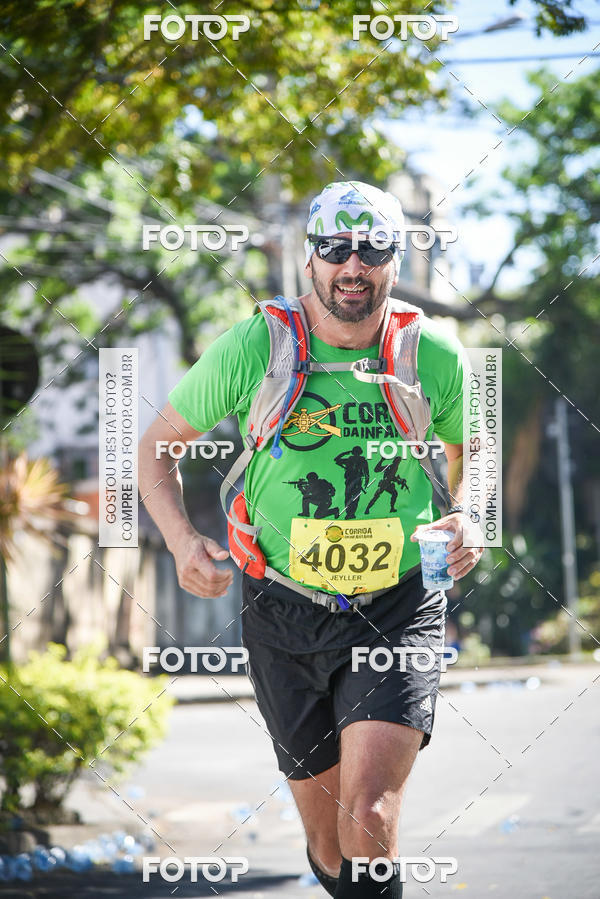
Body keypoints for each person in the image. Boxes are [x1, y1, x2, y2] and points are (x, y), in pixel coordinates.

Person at [139, 180, 483, 898]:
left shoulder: (434, 357)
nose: (352, 265)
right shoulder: (253, 348)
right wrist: (179, 539)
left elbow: (473, 447)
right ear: (311, 260)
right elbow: (156, 446)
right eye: (336, 248)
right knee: (329, 839)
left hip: (397, 603)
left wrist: (473, 512)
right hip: (282, 608)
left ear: (396, 259)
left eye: (372, 248)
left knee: (372, 810)